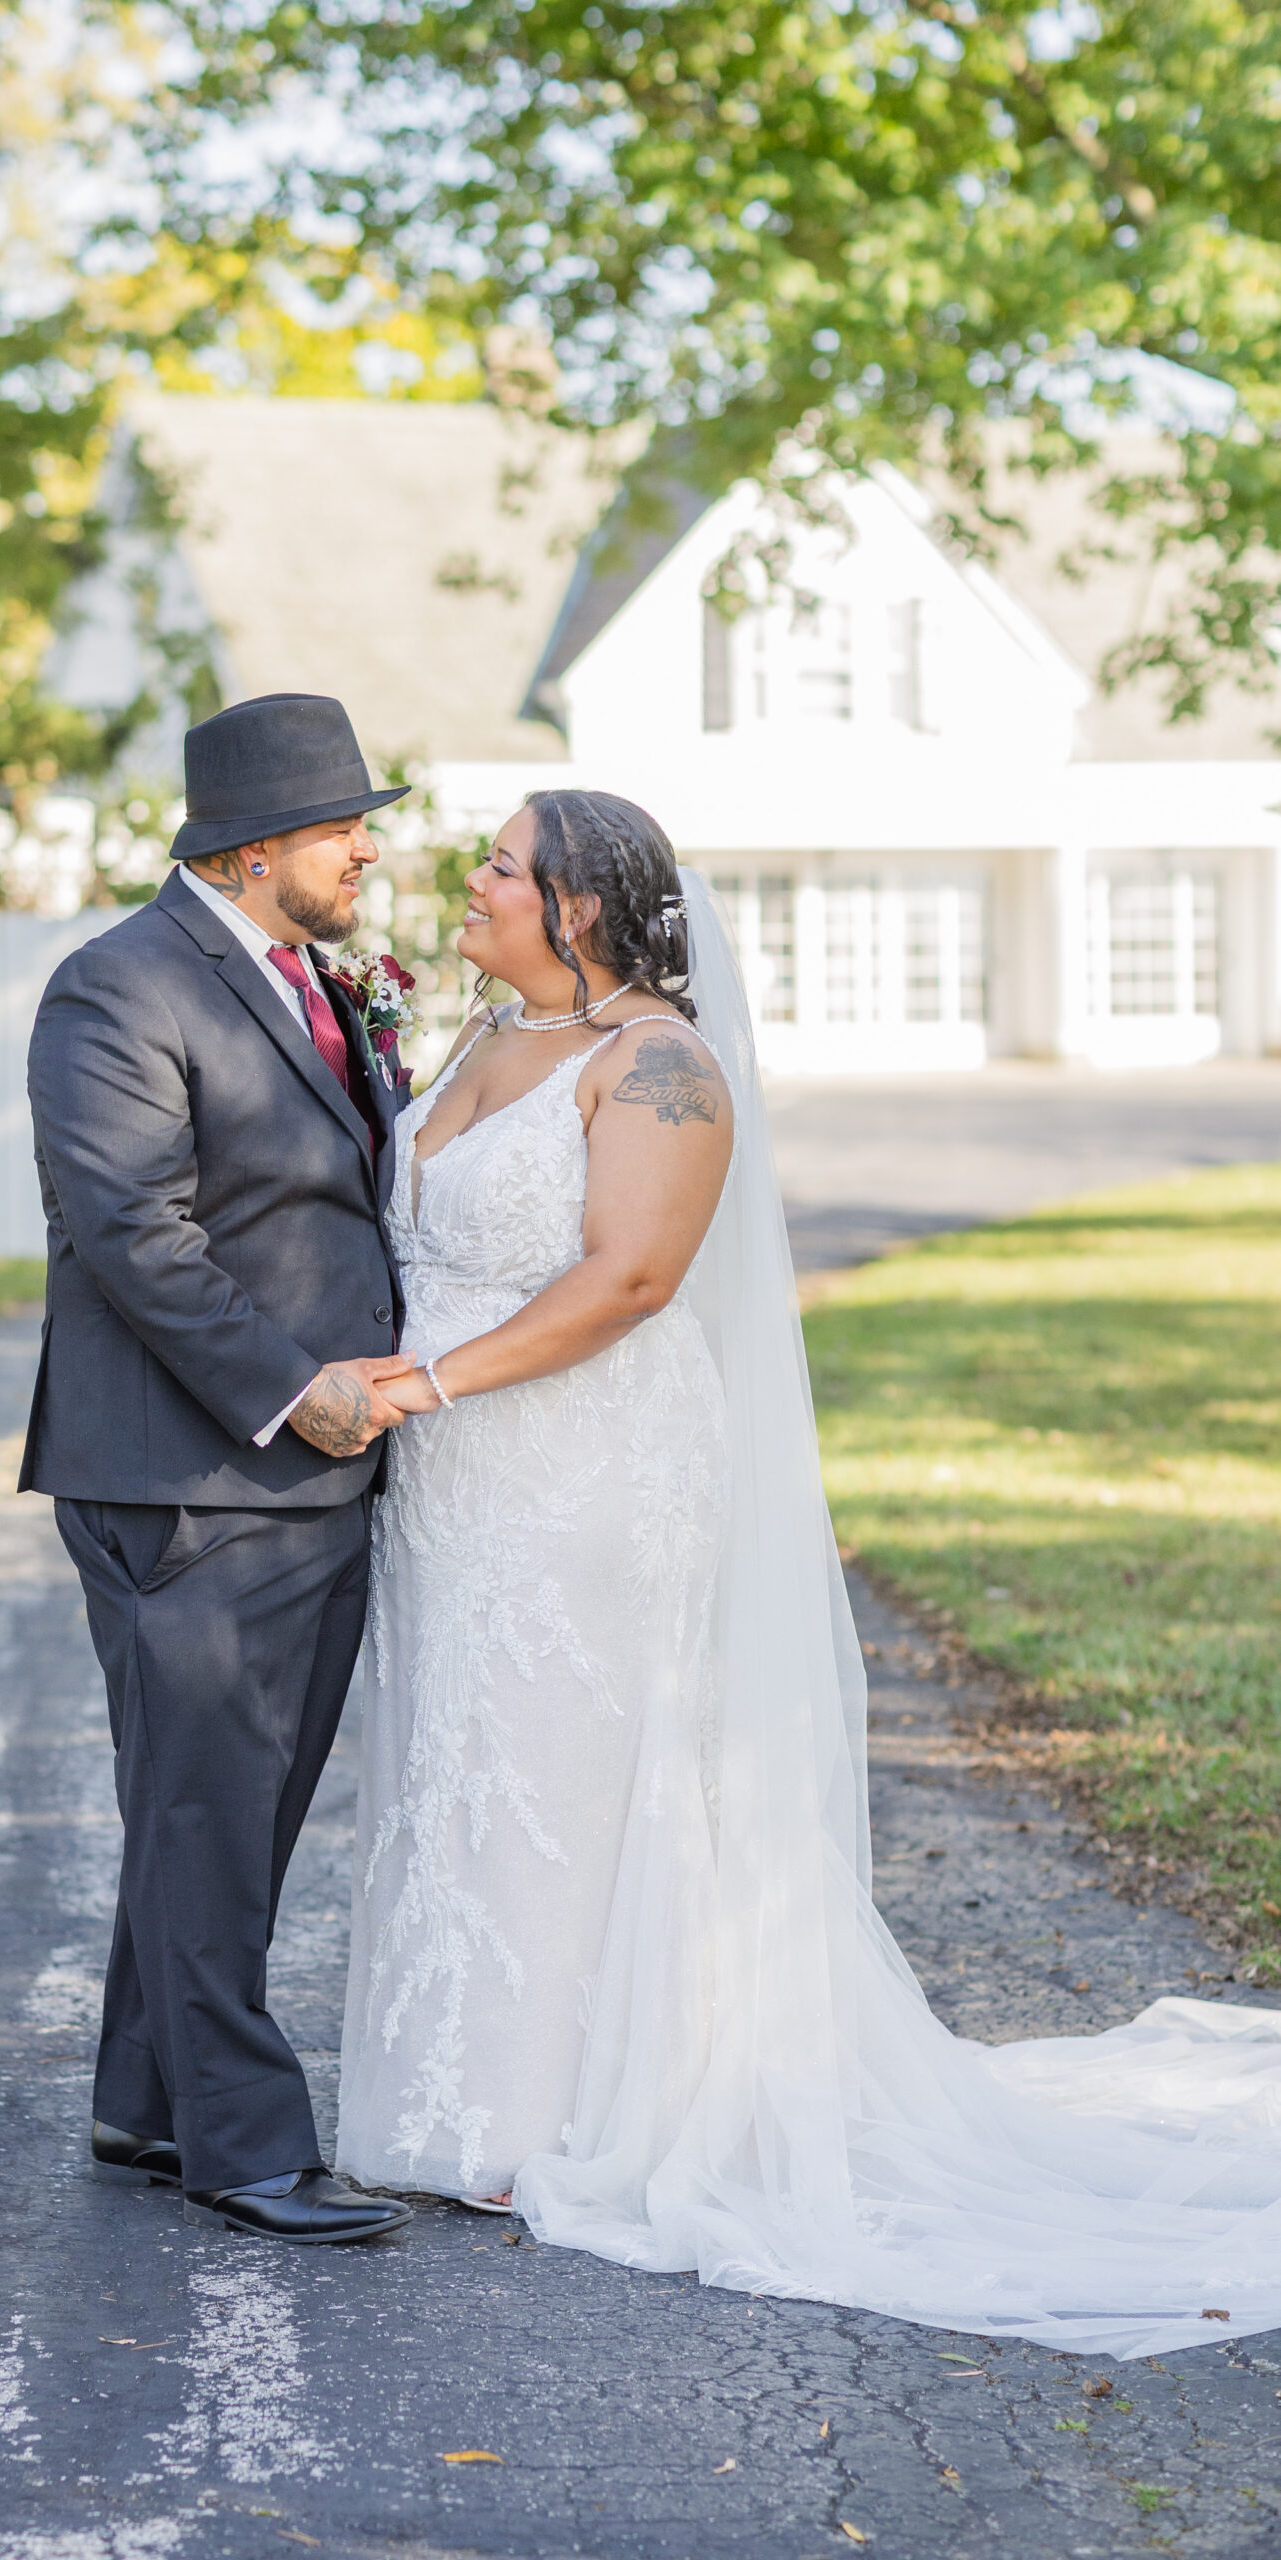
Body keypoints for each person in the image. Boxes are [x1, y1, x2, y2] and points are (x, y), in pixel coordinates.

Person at [339, 786, 1281, 2355]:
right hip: (454, 1479)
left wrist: (423, 1384)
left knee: (574, 1764)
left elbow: (630, 1279)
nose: (470, 881)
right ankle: (457, 2092)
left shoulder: (658, 1065)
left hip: (581, 1462)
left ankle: (582, 2113)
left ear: (576, 904)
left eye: (500, 865)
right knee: (466, 1757)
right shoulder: (476, 1044)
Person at [22, 692, 416, 2246]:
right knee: (206, 1808)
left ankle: (145, 2097)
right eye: (343, 829)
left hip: (315, 1475)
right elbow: (132, 1233)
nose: (366, 852)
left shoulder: (313, 979)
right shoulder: (114, 988)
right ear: (257, 851)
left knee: (227, 1810)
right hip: (190, 1477)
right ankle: (245, 2148)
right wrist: (290, 1391)